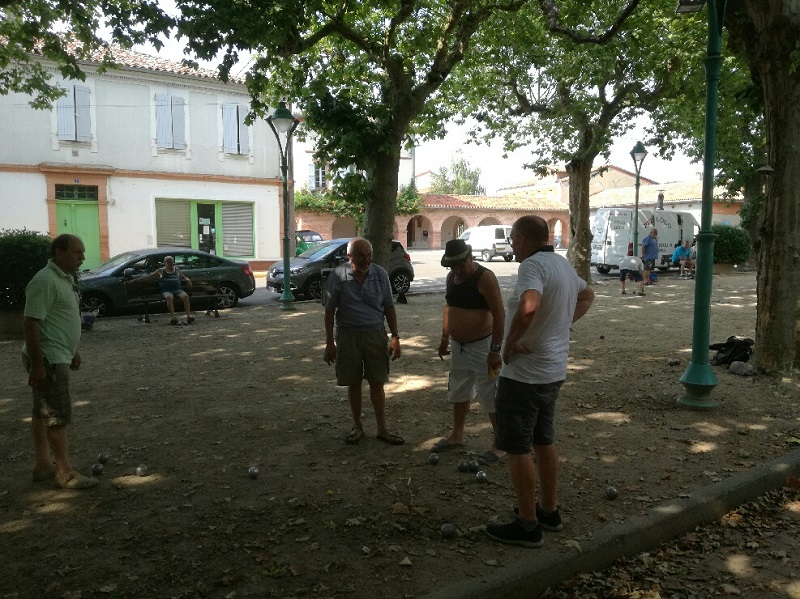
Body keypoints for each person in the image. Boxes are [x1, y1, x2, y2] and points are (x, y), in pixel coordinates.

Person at [486, 215, 595, 548]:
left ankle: (528, 524)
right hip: (552, 371)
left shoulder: (532, 266)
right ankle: (548, 510)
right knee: (544, 439)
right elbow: (587, 296)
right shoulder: (562, 265)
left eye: (513, 240)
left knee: (516, 446)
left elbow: (529, 305)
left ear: (522, 239)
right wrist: (559, 325)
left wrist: (509, 344)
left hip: (524, 374)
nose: (513, 246)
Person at [22, 234, 98, 489]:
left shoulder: (64, 278)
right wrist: (38, 365)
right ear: (59, 252)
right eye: (77, 252)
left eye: (82, 252)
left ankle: (43, 465)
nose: (82, 257)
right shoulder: (44, 280)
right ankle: (65, 472)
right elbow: (31, 323)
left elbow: (59, 319)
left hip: (57, 354)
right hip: (49, 359)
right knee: (56, 415)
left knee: (41, 413)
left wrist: (72, 350)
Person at [323, 238, 404, 446]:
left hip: (375, 334)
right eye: (361, 256)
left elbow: (389, 307)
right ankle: (357, 426)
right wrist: (330, 342)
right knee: (354, 382)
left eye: (369, 255)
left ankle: (382, 429)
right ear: (350, 256)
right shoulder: (338, 276)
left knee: (377, 381)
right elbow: (329, 311)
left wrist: (395, 336)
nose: (366, 260)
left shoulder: (380, 274)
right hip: (348, 335)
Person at [435, 239, 506, 463]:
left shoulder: (485, 277)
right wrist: (445, 338)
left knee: (490, 392)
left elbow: (499, 314)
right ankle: (457, 435)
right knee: (459, 389)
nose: (457, 270)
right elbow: (449, 308)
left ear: (470, 257)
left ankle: (501, 443)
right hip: (459, 346)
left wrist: (495, 350)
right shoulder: (451, 277)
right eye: (452, 266)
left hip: (483, 346)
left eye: (460, 264)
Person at [128, 255, 194, 325]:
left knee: (185, 296)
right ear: (165, 263)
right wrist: (134, 281)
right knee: (169, 297)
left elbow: (183, 277)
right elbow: (149, 277)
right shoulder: (161, 271)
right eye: (169, 262)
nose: (171, 264)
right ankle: (173, 318)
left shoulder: (176, 269)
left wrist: (188, 280)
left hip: (178, 290)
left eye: (171, 262)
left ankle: (188, 316)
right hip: (166, 290)